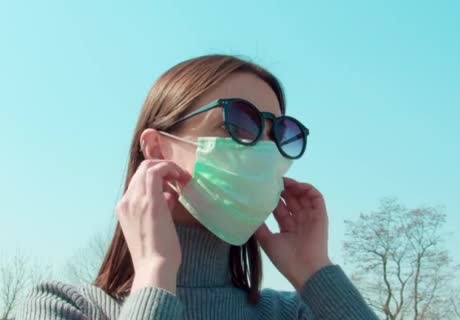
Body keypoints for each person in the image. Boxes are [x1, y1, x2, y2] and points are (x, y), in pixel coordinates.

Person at [19, 54, 378, 319]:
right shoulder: (62, 307)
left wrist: (314, 270)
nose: (266, 151)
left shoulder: (293, 313)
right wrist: (156, 275)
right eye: (238, 122)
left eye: (278, 133)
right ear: (159, 149)